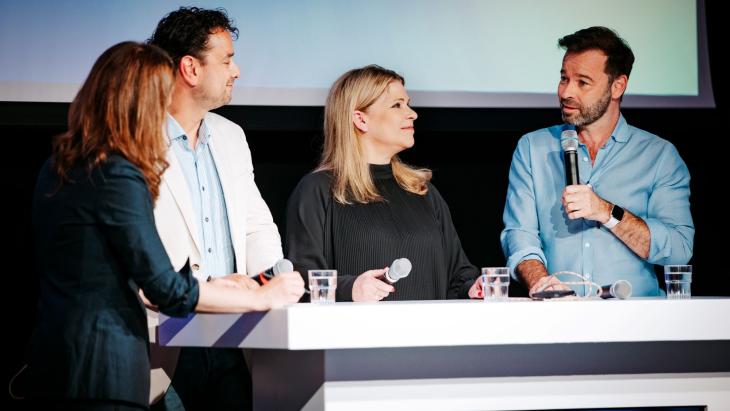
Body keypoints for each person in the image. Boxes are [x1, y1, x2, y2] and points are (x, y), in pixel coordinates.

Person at [27, 41, 304, 411]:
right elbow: (163, 288)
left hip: (57, 364)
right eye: (163, 94)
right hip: (104, 370)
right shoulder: (118, 173)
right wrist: (259, 296)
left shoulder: (60, 165)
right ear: (142, 100)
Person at [147, 7, 289, 411]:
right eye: (227, 59)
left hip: (233, 336)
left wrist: (271, 286)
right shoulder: (137, 138)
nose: (237, 70)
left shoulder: (230, 136)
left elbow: (256, 226)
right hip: (168, 335)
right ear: (190, 68)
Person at [501, 26, 694, 298]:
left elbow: (678, 249)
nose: (566, 92)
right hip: (558, 317)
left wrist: (606, 211)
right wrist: (544, 284)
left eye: (582, 82)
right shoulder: (532, 148)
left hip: (640, 320)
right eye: (563, 78)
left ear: (617, 86)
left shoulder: (659, 156)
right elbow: (520, 236)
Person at [285, 65, 482, 302]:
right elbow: (301, 282)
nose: (412, 114)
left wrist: (471, 288)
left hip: (428, 335)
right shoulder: (318, 190)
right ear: (361, 119)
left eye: (408, 104)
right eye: (397, 105)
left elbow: (458, 274)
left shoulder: (422, 191)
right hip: (359, 337)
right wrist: (350, 288)